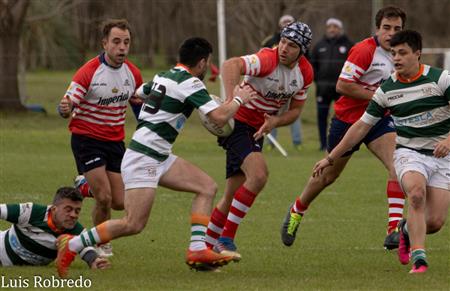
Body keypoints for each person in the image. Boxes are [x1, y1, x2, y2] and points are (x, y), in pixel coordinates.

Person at [55, 37, 257, 277]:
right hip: (144, 157)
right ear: (202, 63)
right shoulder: (191, 83)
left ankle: (197, 251)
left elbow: (139, 93)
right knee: (133, 223)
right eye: (208, 62)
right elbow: (220, 118)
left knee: (206, 187)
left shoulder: (164, 76)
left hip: (159, 154)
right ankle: (73, 244)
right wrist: (239, 99)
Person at [312, 30, 450, 273]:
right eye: (393, 53)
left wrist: (448, 139)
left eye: (403, 53)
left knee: (436, 222)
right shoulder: (386, 90)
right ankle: (420, 259)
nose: (396, 58)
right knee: (416, 194)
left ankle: (405, 230)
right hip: (409, 153)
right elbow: (361, 127)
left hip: (443, 157)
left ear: (417, 54)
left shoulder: (441, 79)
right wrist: (330, 157)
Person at [281, 6, 407, 250]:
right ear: (377, 28)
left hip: (378, 121)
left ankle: (393, 230)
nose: (391, 33)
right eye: (386, 28)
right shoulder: (364, 50)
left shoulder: (402, 54)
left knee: (398, 165)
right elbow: (343, 85)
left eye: (397, 29)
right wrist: (378, 96)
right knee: (328, 176)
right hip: (348, 120)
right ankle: (297, 209)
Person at [205, 21, 314, 260]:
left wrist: (276, 121)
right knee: (259, 175)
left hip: (256, 129)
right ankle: (225, 240)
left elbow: (296, 111)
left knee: (231, 195)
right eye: (283, 41)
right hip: (237, 125)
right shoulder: (267, 59)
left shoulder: (305, 73)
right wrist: (233, 99)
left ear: (302, 50)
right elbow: (230, 64)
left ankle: (205, 246)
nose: (284, 48)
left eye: (292, 45)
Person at [58, 19, 143, 257]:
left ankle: (84, 186)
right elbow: (67, 104)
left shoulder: (133, 74)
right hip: (87, 139)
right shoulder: (89, 71)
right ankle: (99, 242)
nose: (122, 48)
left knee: (119, 202)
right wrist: (65, 108)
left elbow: (139, 110)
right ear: (104, 43)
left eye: (126, 42)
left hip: (115, 142)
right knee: (104, 198)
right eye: (116, 42)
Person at [0, 187, 109, 269]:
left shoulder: (77, 231)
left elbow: (87, 251)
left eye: (77, 211)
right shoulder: (30, 212)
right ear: (54, 209)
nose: (73, 215)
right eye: (68, 209)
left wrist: (95, 261)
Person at [310, 18, 353, 151]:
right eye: (329, 27)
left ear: (340, 29)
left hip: (342, 89)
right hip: (322, 89)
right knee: (322, 116)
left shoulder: (349, 45)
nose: (332, 29)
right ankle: (323, 145)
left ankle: (344, 145)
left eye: (335, 26)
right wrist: (318, 80)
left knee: (343, 117)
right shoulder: (319, 45)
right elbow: (313, 66)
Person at [262, 14, 303, 151]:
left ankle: (297, 143)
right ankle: (270, 143)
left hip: (291, 84)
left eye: (289, 22)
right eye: (284, 22)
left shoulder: (301, 41)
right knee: (270, 112)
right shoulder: (270, 40)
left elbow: (303, 61)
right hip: (272, 83)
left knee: (294, 112)